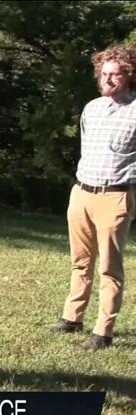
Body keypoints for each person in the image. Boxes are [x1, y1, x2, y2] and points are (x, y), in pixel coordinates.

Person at [51, 44, 136, 351]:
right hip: (81, 193)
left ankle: (103, 332)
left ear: (129, 76)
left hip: (115, 196)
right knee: (80, 261)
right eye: (103, 73)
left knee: (110, 268)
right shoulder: (92, 108)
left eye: (115, 74)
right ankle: (72, 318)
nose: (107, 80)